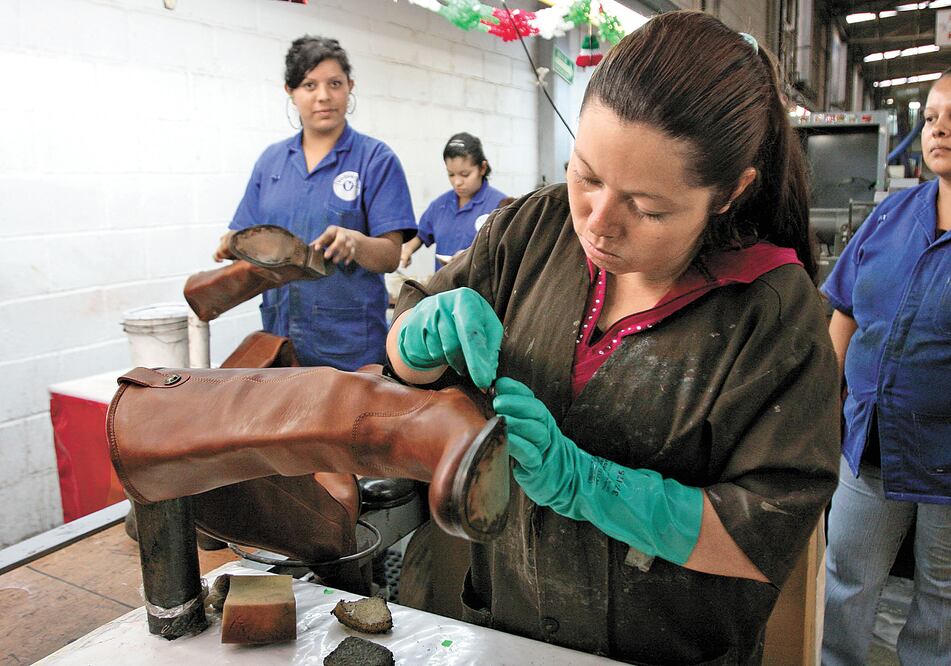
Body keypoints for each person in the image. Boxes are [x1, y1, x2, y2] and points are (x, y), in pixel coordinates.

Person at [385, 11, 840, 664]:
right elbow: (401, 350)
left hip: (663, 644)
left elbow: (763, 528)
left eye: (648, 208)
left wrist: (588, 485)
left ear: (730, 192)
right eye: (586, 175)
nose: (597, 223)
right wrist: (417, 342)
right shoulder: (536, 227)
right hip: (506, 627)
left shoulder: (771, 313)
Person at [821, 72, 951, 665]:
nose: (939, 128)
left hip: (946, 463)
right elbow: (844, 308)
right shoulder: (891, 216)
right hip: (869, 444)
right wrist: (824, 399)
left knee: (941, 602)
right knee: (845, 580)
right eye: (930, 117)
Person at [213, 35, 416, 370]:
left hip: (349, 348)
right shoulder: (272, 162)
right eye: (309, 85)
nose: (324, 96)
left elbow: (390, 255)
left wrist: (355, 242)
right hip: (280, 341)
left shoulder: (376, 159)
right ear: (290, 92)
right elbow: (246, 235)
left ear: (350, 86)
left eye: (334, 83)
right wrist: (232, 245)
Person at [400, 133, 508, 271]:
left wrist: (468, 257)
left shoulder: (500, 205)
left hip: (479, 290)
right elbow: (421, 234)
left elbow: (506, 252)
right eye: (451, 174)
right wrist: (407, 250)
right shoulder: (440, 205)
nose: (457, 182)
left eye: (465, 174)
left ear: (482, 168)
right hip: (444, 289)